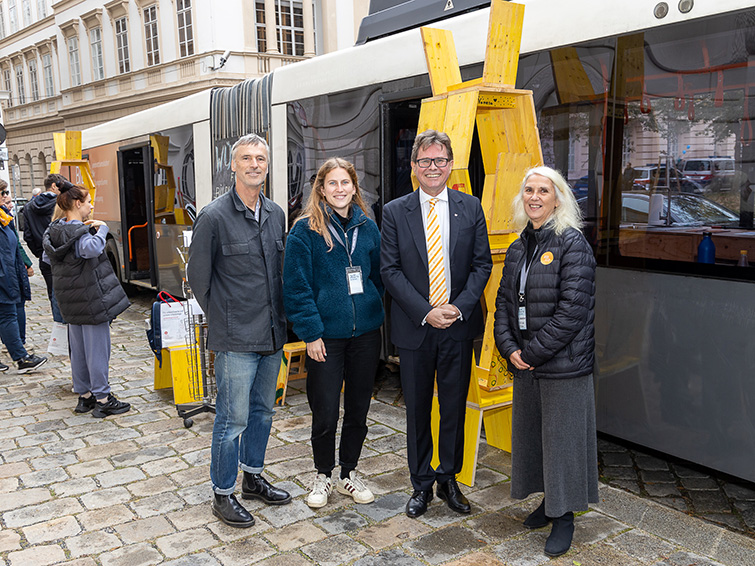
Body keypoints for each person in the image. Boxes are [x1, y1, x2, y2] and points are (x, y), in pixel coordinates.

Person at [380, 129, 492, 518]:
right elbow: (390, 271)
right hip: (416, 327)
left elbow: (482, 265)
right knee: (416, 410)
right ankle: (421, 484)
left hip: (458, 327)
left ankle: (449, 479)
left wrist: (458, 308)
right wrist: (427, 310)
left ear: (450, 165)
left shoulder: (471, 207)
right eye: (425, 161)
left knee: (454, 407)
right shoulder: (395, 212)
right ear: (413, 167)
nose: (432, 167)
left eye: (440, 160)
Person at [493, 166, 598, 558]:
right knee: (536, 438)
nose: (534, 197)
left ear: (558, 198)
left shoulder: (573, 244)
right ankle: (548, 501)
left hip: (563, 366)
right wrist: (509, 348)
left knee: (564, 443)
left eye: (543, 190)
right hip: (528, 364)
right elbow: (504, 302)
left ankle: (565, 516)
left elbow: (573, 312)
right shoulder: (520, 245)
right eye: (529, 190)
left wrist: (531, 354)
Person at [187, 133, 291, 528]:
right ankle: (223, 493)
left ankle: (252, 477)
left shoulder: (276, 213)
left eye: (260, 158)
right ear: (232, 165)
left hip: (271, 335)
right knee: (232, 420)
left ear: (267, 165)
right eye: (246, 158)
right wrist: (225, 320)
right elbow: (199, 279)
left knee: (263, 413)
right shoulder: (213, 216)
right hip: (235, 339)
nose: (253, 165)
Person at [283, 158, 384, 509]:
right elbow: (296, 288)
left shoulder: (368, 228)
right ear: (321, 189)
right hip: (325, 337)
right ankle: (323, 474)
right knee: (325, 411)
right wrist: (311, 333)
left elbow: (378, 278)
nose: (339, 189)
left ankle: (348, 475)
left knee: (358, 409)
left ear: (354, 188)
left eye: (345, 183)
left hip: (366, 335)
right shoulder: (304, 231)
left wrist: (373, 308)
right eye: (332, 183)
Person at [43, 185, 131, 417]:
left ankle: (85, 396)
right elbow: (90, 249)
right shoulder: (77, 230)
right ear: (77, 204)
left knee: (79, 351)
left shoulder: (55, 230)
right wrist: (102, 229)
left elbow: (48, 258)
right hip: (90, 299)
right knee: (97, 350)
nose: (92, 206)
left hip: (70, 300)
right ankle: (102, 398)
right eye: (89, 201)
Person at [0, 181, 46, 374]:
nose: (6, 197)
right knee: (8, 316)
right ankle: (21, 358)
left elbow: (13, 249)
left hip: (7, 275)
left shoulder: (4, 219)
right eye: (3, 193)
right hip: (3, 278)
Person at [24, 173, 71, 323]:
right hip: (62, 254)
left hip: (45, 258)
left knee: (53, 295)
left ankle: (59, 327)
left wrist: (40, 252)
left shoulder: (28, 207)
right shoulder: (61, 203)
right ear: (53, 186)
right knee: (68, 292)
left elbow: (28, 236)